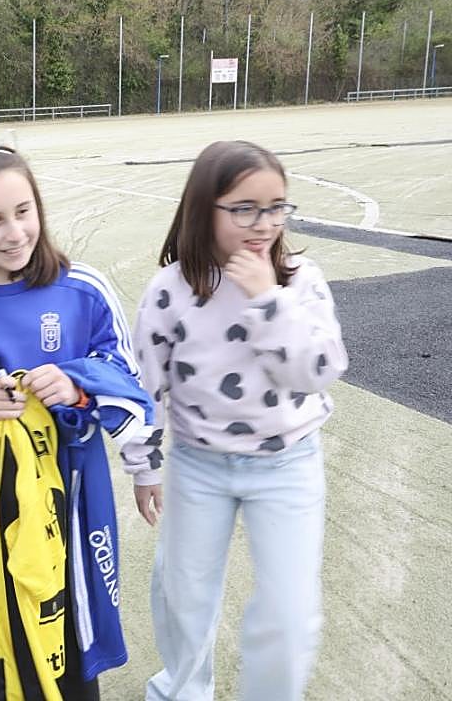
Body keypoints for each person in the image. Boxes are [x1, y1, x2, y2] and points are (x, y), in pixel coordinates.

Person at [0, 140, 159, 700]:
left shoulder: (82, 289)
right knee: (2, 633)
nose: (15, 232)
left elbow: (128, 380)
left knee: (71, 633)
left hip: (71, 499)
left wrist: (77, 385)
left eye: (24, 211)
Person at [133, 140, 348, 701]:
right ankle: (182, 691)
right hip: (198, 465)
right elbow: (148, 385)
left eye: (276, 207)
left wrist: (267, 300)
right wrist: (144, 466)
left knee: (289, 611)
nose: (265, 224)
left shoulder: (299, 281)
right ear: (204, 208)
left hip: (287, 464)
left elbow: (318, 370)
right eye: (245, 209)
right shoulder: (171, 290)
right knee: (183, 596)